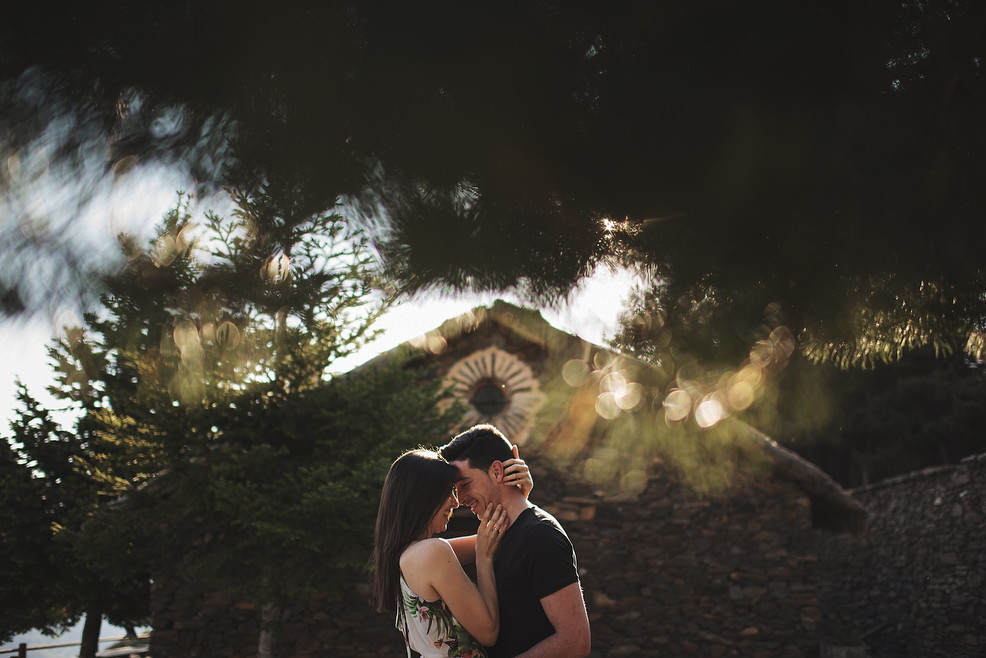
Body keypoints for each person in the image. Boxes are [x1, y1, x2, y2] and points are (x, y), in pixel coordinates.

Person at [439, 425, 591, 658]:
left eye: (465, 484)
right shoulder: (498, 536)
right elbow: (432, 555)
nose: (459, 500)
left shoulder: (540, 536)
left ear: (497, 472)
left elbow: (575, 640)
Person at [371, 448, 533, 658]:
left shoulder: (405, 555)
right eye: (448, 492)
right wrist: (484, 560)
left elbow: (493, 536)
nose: (455, 502)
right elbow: (488, 632)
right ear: (423, 495)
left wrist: (518, 497)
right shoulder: (432, 553)